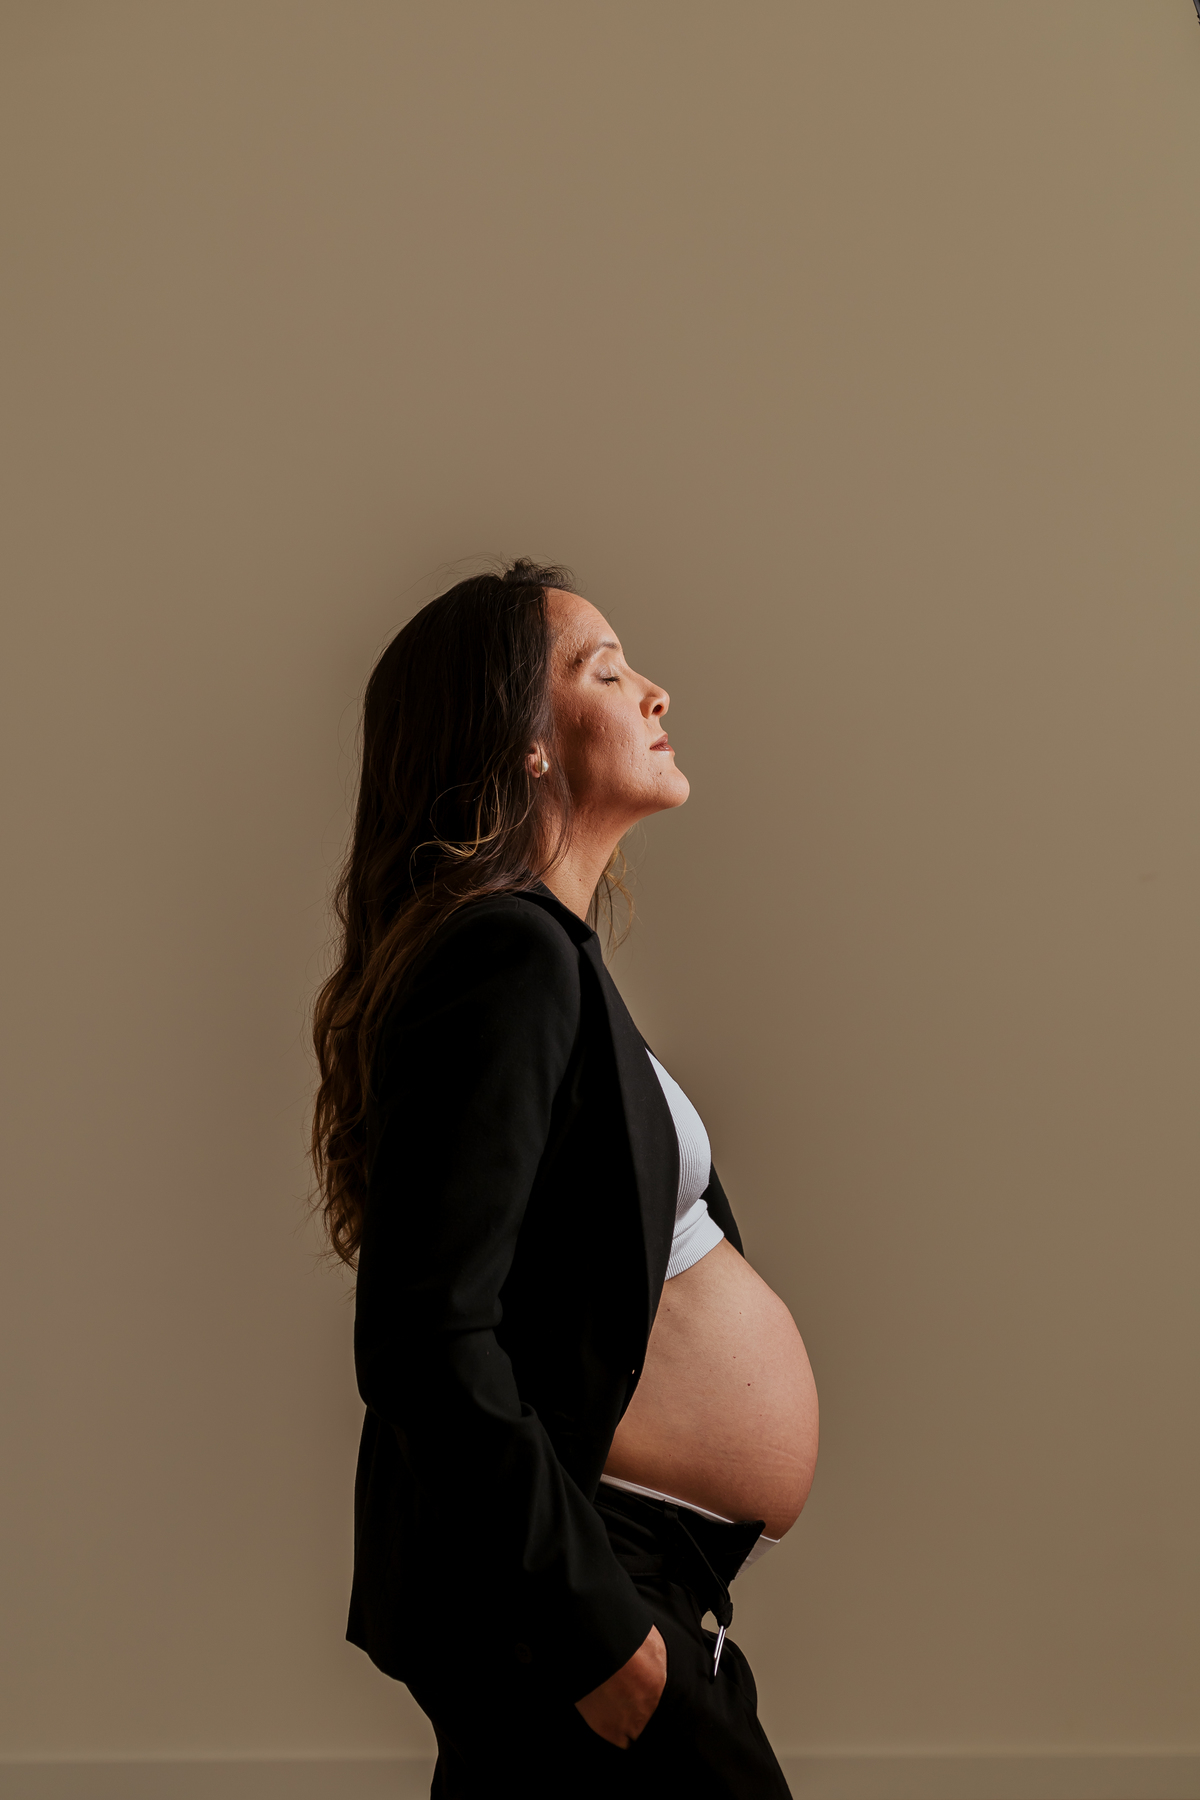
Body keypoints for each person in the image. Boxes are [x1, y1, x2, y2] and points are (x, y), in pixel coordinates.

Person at [311, 560, 819, 1797]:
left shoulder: (536, 961)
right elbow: (429, 1336)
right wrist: (603, 1636)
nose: (653, 692)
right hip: (581, 1594)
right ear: (525, 745)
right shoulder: (508, 956)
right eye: (602, 669)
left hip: (615, 1589)